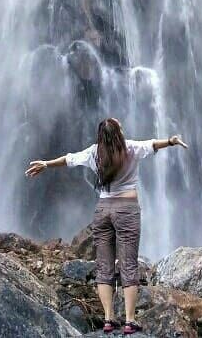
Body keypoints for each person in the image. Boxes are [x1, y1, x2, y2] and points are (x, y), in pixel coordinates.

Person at [26, 117, 188, 334]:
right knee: (129, 264)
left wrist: (46, 164)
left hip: (103, 210)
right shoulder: (130, 147)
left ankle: (109, 319)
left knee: (104, 266)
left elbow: (69, 159)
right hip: (127, 209)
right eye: (120, 127)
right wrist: (171, 141)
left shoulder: (94, 152)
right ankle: (130, 320)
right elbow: (152, 144)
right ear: (119, 133)